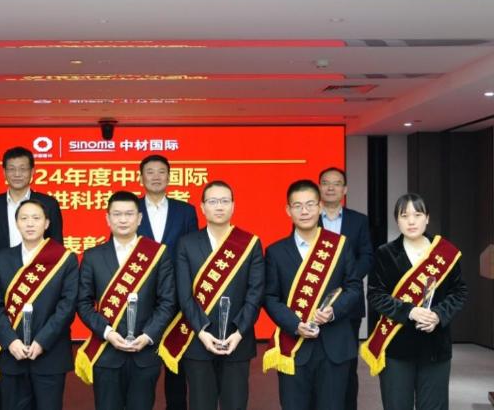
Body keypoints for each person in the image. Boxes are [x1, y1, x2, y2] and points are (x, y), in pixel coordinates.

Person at [159, 180, 264, 410]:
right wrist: (202, 332)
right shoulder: (186, 244)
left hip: (238, 341)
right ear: (202, 207)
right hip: (198, 341)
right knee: (200, 404)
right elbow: (184, 295)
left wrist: (238, 332)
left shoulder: (249, 243)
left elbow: (255, 294)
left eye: (225, 201)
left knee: (235, 405)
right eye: (213, 201)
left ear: (233, 206)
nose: (219, 206)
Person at [361, 193, 467, 410]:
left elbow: (459, 292)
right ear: (397, 220)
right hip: (396, 347)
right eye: (404, 216)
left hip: (435, 347)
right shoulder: (385, 253)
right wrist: (409, 311)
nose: (411, 221)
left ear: (427, 218)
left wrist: (438, 315)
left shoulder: (445, 253)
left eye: (417, 215)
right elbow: (375, 294)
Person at [263, 179, 362, 410]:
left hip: (335, 347)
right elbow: (270, 297)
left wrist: (333, 311)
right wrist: (294, 324)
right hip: (293, 347)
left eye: (310, 204)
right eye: (297, 206)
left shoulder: (340, 246)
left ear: (320, 207)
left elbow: (354, 287)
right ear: (288, 210)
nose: (304, 211)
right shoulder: (276, 251)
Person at [76, 191, 176, 410]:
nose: (123, 219)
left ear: (139, 218)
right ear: (107, 218)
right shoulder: (93, 256)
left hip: (145, 354)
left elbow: (167, 302)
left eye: (129, 214)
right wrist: (107, 333)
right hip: (106, 353)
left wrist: (148, 335)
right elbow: (83, 303)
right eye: (117, 214)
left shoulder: (157, 254)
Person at [0, 199, 78, 410]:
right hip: (12, 355)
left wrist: (42, 341)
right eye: (24, 218)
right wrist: (10, 341)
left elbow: (67, 307)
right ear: (16, 223)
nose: (30, 223)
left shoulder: (65, 259)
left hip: (50, 355)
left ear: (47, 223)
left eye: (36, 218)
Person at [136, 154, 199, 410]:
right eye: (150, 172)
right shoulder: (130, 209)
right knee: (142, 365)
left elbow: (194, 252)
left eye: (161, 171)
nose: (156, 176)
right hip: (141, 298)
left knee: (176, 365)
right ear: (141, 177)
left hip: (176, 299)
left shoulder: (185, 211)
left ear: (169, 177)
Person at [317, 167, 374, 410]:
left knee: (347, 365)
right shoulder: (309, 218)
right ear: (319, 187)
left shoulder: (358, 220)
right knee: (317, 362)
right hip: (315, 305)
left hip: (349, 304)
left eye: (337, 183)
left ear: (345, 189)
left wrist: (345, 282)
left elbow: (367, 256)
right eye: (326, 183)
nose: (331, 187)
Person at [0, 146, 63, 261]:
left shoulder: (49, 204)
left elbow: (57, 247)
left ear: (32, 171)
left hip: (40, 270)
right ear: (4, 172)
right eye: (11, 169)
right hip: (2, 271)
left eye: (23, 169)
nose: (17, 174)